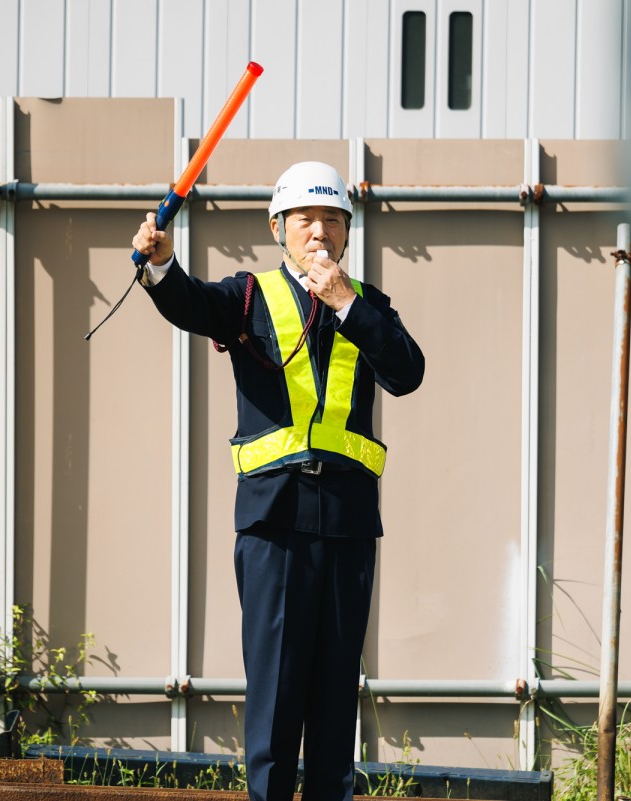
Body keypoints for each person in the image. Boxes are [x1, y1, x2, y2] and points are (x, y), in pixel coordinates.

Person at [130, 161, 424, 801]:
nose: (319, 231)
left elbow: (407, 371)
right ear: (278, 227)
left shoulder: (369, 304)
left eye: (332, 220)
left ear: (348, 231)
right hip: (273, 521)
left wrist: (345, 302)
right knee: (276, 691)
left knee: (334, 693)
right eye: (305, 220)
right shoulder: (250, 295)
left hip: (347, 522)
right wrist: (159, 265)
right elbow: (192, 304)